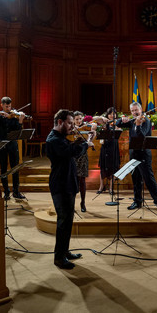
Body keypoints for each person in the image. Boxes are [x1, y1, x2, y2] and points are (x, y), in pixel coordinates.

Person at [46, 109, 95, 269]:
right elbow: (70, 152)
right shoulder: (54, 140)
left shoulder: (60, 137)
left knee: (68, 220)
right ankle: (59, 258)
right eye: (69, 123)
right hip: (61, 185)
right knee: (63, 221)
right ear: (60, 122)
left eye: (73, 123)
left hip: (67, 183)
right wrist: (86, 144)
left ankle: (65, 251)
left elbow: (70, 147)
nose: (72, 127)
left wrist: (84, 140)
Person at [116, 102, 157, 212]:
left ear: (141, 109)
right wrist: (122, 119)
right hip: (133, 153)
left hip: (144, 154)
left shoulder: (145, 121)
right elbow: (118, 124)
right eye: (132, 111)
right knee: (136, 178)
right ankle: (137, 201)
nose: (134, 112)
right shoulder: (132, 120)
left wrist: (137, 125)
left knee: (149, 179)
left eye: (136, 110)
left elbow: (142, 137)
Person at [0, 97, 26, 200]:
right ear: (2, 105)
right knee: (3, 169)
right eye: (6, 106)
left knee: (15, 168)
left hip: (12, 144)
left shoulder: (14, 115)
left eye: (10, 106)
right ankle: (6, 192)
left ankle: (16, 192)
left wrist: (20, 121)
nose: (8, 108)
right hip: (2, 145)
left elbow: (17, 130)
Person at [93, 107, 121, 194]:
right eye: (110, 114)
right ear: (107, 115)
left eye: (114, 114)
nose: (112, 115)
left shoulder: (118, 122)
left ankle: (111, 188)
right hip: (105, 147)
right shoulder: (104, 121)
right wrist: (102, 118)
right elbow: (92, 119)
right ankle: (101, 186)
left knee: (113, 167)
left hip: (113, 147)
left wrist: (118, 128)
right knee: (103, 167)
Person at [73, 111, 96, 212]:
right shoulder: (71, 129)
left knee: (82, 181)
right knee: (73, 181)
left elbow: (93, 131)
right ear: (73, 120)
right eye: (76, 119)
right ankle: (71, 203)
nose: (78, 121)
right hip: (73, 156)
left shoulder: (86, 128)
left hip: (82, 156)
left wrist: (91, 137)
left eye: (80, 119)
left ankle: (83, 202)